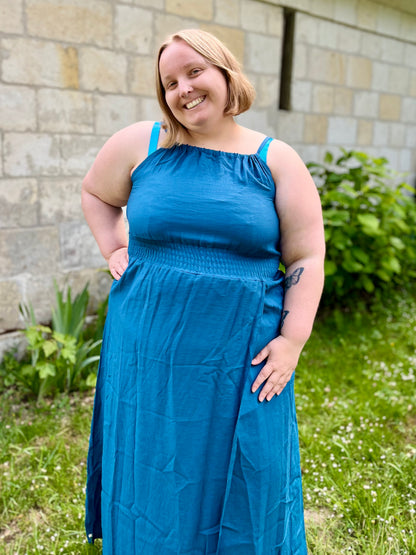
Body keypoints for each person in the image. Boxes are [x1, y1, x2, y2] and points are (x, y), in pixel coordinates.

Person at [82, 28, 325, 554]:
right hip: (145, 348)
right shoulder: (141, 144)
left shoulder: (275, 159)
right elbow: (96, 194)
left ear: (226, 73)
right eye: (170, 82)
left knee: (249, 471)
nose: (184, 89)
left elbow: (307, 255)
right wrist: (114, 246)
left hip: (241, 352)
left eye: (195, 72)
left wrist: (292, 341)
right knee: (149, 464)